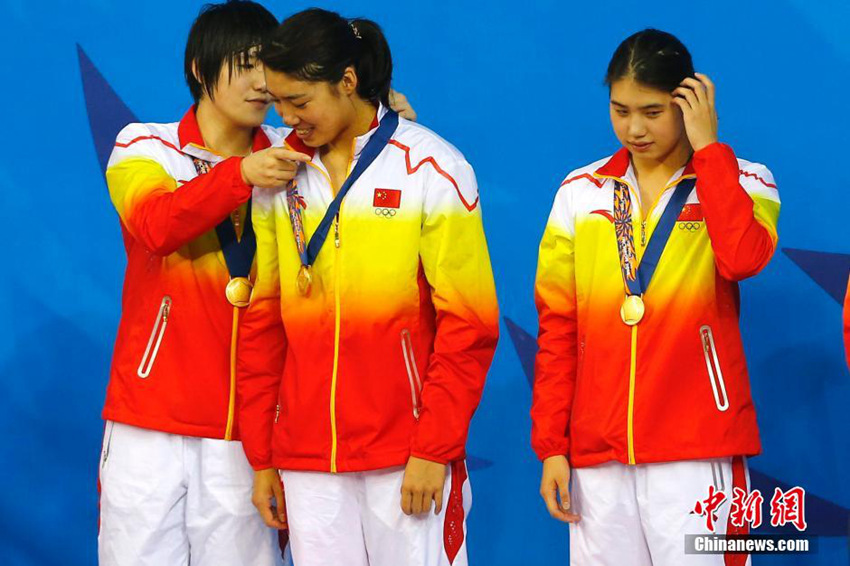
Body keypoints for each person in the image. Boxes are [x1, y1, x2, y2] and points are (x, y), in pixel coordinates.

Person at [99, 2, 416, 564]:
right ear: (200, 68)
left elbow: (364, 174)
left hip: (250, 429)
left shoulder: (294, 148)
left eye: (267, 67)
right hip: (151, 417)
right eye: (243, 65)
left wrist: (381, 124)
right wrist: (238, 175)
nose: (259, 83)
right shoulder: (143, 145)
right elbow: (154, 226)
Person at [237, 9, 499, 566]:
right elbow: (262, 325)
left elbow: (469, 326)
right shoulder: (278, 175)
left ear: (348, 82)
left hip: (404, 456)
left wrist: (434, 448)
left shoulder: (432, 169)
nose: (286, 118)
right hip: (307, 459)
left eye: (300, 102)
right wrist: (263, 456)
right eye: (278, 102)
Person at [531, 29, 780, 565]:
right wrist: (553, 445)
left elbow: (742, 259)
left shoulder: (744, 181)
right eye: (620, 111)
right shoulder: (580, 192)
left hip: (694, 447)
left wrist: (709, 151)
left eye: (652, 111)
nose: (634, 129)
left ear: (688, 102)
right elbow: (558, 327)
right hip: (597, 454)